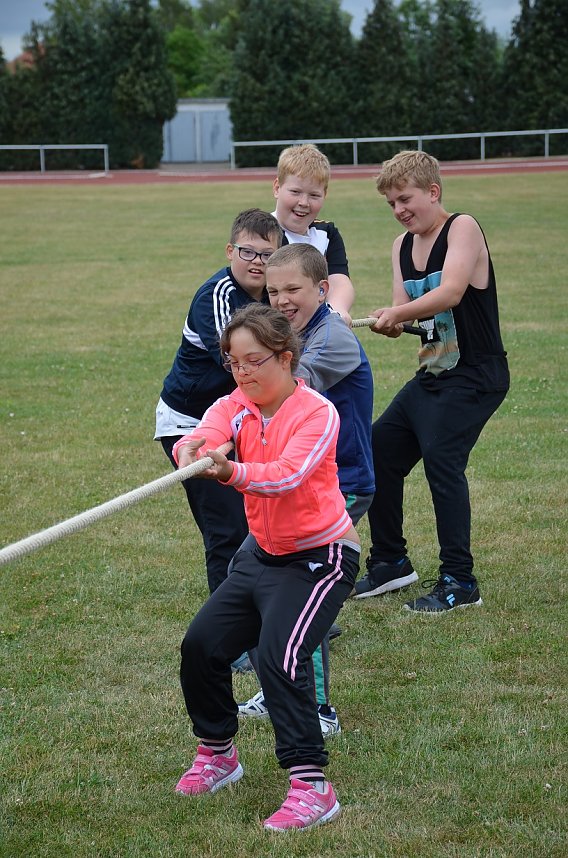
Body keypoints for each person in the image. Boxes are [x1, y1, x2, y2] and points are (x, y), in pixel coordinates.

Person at [172, 303, 360, 831]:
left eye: (254, 361)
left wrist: (228, 471)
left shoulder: (316, 412)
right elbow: (206, 433)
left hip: (320, 557)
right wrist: (191, 451)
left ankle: (312, 787)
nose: (243, 372)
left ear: (285, 357)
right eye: (233, 362)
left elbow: (285, 476)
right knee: (202, 646)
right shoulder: (236, 403)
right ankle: (218, 754)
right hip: (262, 553)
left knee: (280, 658)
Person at [353, 150, 510, 611]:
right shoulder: (401, 246)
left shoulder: (462, 227)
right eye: (391, 203)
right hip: (435, 373)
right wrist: (391, 322)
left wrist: (398, 312)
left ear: (433, 192)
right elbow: (408, 316)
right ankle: (391, 563)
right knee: (379, 449)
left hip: (477, 374)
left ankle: (460, 582)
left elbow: (451, 291)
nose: (399, 210)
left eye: (405, 199)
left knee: (442, 460)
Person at [238, 243, 374, 733]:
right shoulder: (291, 333)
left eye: (292, 289)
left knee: (298, 592)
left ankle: (316, 709)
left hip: (340, 484)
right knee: (250, 576)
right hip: (300, 483)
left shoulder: (332, 336)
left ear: (321, 289)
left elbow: (289, 387)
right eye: (273, 291)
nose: (281, 300)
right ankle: (278, 687)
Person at [154, 208, 282, 598]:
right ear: (230, 251)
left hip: (239, 419)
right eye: (248, 252)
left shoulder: (274, 294)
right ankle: (230, 626)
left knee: (265, 520)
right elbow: (237, 362)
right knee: (227, 528)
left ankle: (276, 609)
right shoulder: (218, 295)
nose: (257, 262)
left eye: (267, 254)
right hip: (191, 425)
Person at [272, 143, 355, 322]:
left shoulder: (327, 233)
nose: (304, 202)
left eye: (314, 195)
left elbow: (339, 281)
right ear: (277, 188)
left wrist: (336, 312)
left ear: (325, 194)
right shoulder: (263, 234)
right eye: (295, 192)